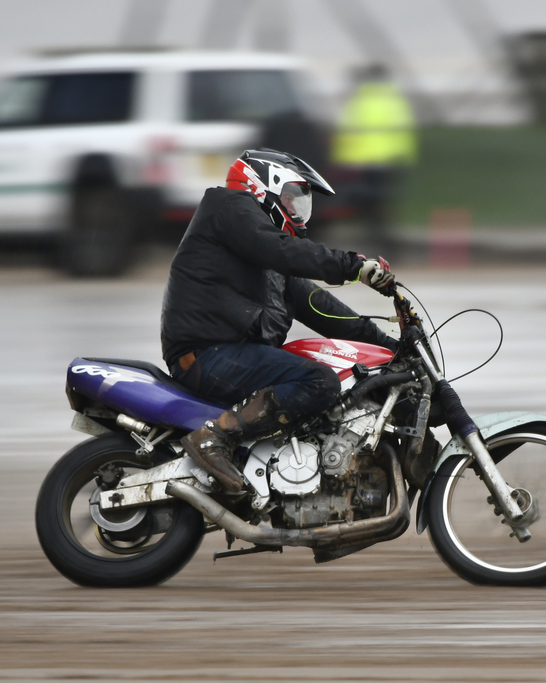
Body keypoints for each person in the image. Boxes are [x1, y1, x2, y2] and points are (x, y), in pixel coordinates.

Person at [160, 148, 397, 493]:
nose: (296, 209)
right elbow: (281, 249)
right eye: (290, 197)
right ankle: (214, 438)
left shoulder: (269, 260)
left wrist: (390, 346)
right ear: (261, 185)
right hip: (207, 354)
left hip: (231, 354)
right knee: (319, 381)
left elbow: (324, 309)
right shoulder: (228, 208)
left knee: (329, 369)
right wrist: (354, 266)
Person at [331, 64, 417, 252]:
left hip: (363, 162)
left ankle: (383, 243)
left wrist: (342, 159)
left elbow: (348, 133)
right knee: (377, 205)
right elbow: (404, 133)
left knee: (369, 205)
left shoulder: (360, 100)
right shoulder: (394, 99)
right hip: (389, 161)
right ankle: (383, 243)